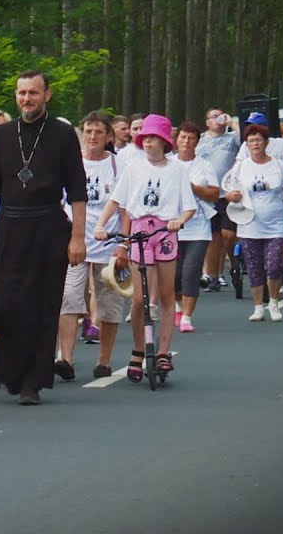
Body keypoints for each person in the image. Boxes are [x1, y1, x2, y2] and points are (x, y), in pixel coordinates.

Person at [0, 71, 86, 405]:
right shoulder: (3, 135)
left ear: (47, 95)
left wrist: (77, 237)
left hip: (49, 227)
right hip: (9, 226)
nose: (27, 99)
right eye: (21, 93)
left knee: (43, 306)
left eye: (33, 93)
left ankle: (32, 382)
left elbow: (77, 191)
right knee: (5, 301)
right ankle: (4, 365)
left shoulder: (63, 135)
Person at [94, 114, 195, 381]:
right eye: (145, 138)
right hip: (140, 230)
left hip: (164, 231)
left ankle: (162, 352)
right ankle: (138, 350)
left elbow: (189, 206)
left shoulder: (177, 170)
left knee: (164, 295)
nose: (147, 142)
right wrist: (101, 226)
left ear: (163, 141)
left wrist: (178, 221)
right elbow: (116, 200)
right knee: (139, 298)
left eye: (152, 138)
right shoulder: (134, 168)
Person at [55, 112, 127, 380]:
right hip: (77, 242)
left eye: (98, 132)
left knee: (109, 304)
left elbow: (126, 209)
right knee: (69, 299)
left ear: (109, 136)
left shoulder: (120, 167)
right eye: (88, 131)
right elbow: (59, 203)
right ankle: (66, 359)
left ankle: (104, 360)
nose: (93, 137)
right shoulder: (71, 165)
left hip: (109, 244)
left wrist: (123, 246)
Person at [223, 124, 283, 323]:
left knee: (274, 265)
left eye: (259, 140)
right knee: (254, 267)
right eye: (251, 141)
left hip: (275, 223)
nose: (255, 144)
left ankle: (273, 302)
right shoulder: (241, 166)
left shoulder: (278, 165)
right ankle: (258, 307)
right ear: (247, 144)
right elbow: (228, 190)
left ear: (266, 143)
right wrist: (231, 196)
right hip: (248, 223)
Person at [173, 122, 220, 333]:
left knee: (190, 272)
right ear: (176, 140)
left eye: (191, 138)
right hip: (173, 226)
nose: (186, 142)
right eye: (183, 137)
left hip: (198, 226)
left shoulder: (204, 166)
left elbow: (214, 194)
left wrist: (194, 188)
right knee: (174, 275)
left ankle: (187, 316)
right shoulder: (169, 164)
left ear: (197, 142)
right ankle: (177, 306)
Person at [197, 109, 241, 292]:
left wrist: (232, 122)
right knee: (213, 237)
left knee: (228, 235)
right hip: (208, 194)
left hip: (228, 193)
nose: (218, 119)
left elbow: (246, 138)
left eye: (221, 115)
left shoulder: (232, 138)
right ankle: (213, 276)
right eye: (214, 117)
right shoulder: (199, 140)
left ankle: (234, 264)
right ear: (207, 122)